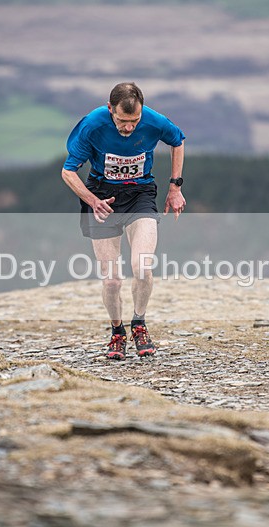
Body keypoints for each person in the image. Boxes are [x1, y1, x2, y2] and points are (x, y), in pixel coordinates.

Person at [61, 82, 186, 360]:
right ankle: (117, 332)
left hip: (140, 194)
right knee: (112, 281)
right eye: (121, 121)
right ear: (110, 110)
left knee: (142, 265)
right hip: (102, 198)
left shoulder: (154, 120)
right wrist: (91, 200)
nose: (128, 128)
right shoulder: (92, 125)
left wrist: (175, 187)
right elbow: (68, 171)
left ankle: (139, 324)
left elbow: (177, 140)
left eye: (134, 121)